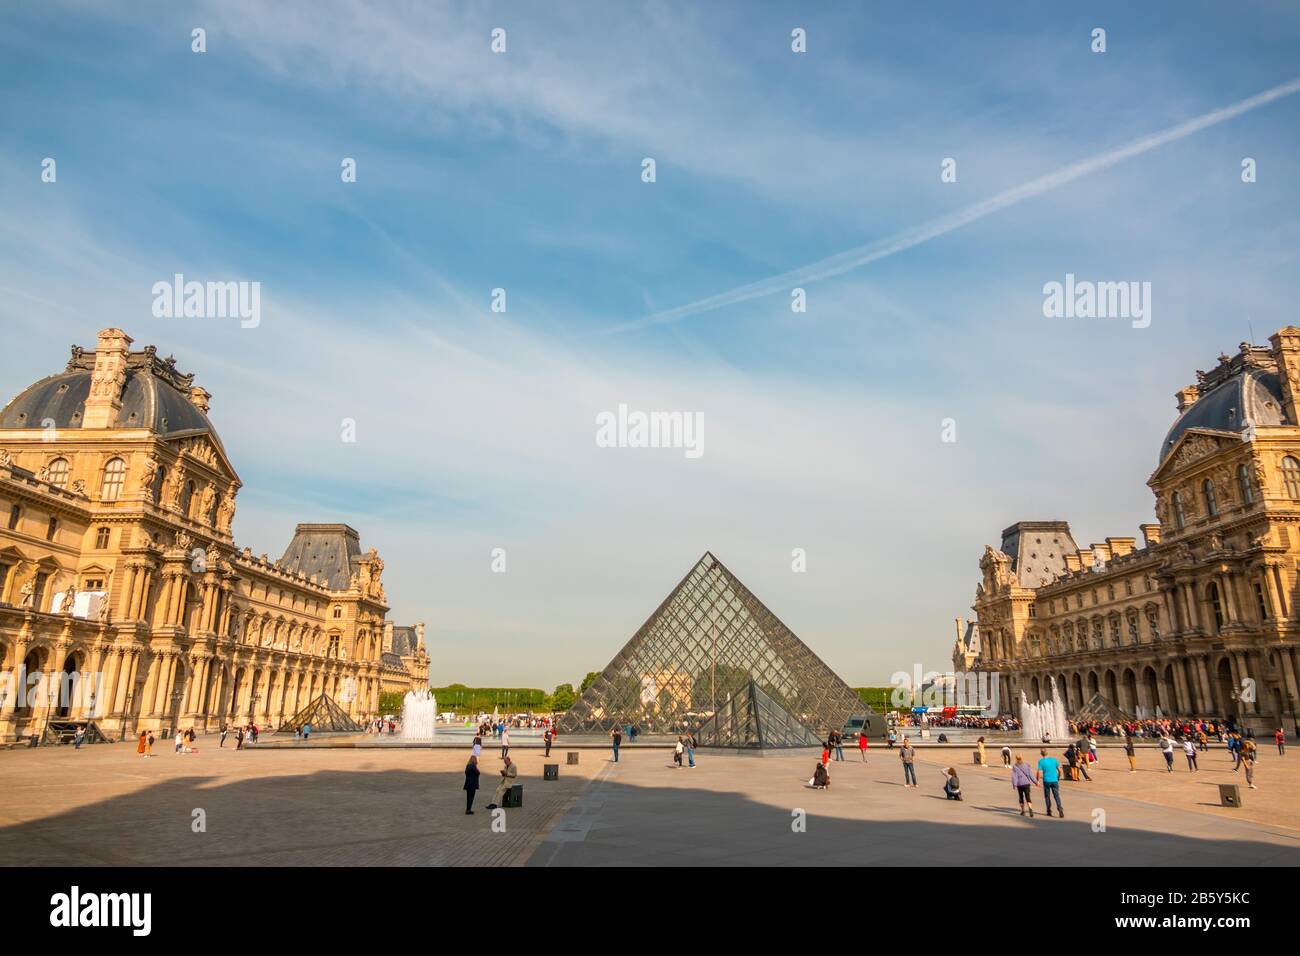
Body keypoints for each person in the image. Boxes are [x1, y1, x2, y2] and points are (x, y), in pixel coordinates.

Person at [1036, 748, 1063, 818]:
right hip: (1054, 780)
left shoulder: (1041, 761)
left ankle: (1049, 810)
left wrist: (1037, 780)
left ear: (1041, 754)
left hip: (1046, 781)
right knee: (1056, 795)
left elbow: (1039, 772)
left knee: (1047, 796)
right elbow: (1060, 771)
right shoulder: (1054, 760)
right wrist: (1058, 777)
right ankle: (1060, 808)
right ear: (1047, 753)